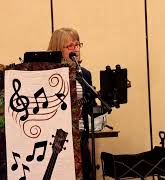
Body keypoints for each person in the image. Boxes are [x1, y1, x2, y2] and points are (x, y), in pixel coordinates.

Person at [48, 27, 94, 180]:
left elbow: (89, 106)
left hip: (81, 134)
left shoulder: (85, 74)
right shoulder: (49, 75)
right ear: (57, 49)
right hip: (58, 137)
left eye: (77, 44)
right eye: (70, 46)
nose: (75, 49)